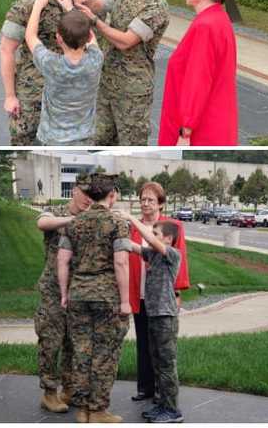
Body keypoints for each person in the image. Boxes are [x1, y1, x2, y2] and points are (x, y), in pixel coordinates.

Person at [74, 0, 170, 146]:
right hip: (108, 81)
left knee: (131, 143)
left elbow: (126, 41)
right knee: (100, 139)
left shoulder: (155, 6)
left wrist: (95, 21)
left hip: (132, 90)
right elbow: (99, 4)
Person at [56, 173, 131, 423]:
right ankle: (98, 410)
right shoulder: (117, 223)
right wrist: (125, 301)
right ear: (112, 195)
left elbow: (62, 261)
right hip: (106, 297)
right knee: (104, 354)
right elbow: (121, 262)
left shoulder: (74, 223)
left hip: (78, 294)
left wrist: (64, 293)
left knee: (81, 352)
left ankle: (82, 410)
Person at [0, 0, 76, 146]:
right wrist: (10, 96)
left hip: (62, 90)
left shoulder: (67, 2)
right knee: (24, 142)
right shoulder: (27, 3)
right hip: (33, 92)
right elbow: (6, 50)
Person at [157, 0, 238, 146]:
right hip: (216, 119)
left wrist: (186, 127)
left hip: (201, 128)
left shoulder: (205, 26)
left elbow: (198, 79)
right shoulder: (219, 19)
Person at [33, 173, 93, 413]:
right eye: (85, 193)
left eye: (92, 195)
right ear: (75, 190)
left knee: (73, 343)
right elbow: (42, 223)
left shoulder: (92, 218)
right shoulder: (57, 212)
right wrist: (72, 220)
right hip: (53, 291)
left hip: (78, 291)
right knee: (51, 341)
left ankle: (68, 389)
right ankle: (49, 392)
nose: (88, 199)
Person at [126, 182, 189, 404]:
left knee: (163, 350)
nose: (145, 204)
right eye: (142, 199)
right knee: (144, 344)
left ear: (161, 204)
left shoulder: (171, 228)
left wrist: (177, 292)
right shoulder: (133, 228)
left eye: (151, 200)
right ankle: (145, 388)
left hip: (162, 298)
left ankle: (164, 396)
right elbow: (132, 251)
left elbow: (179, 260)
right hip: (141, 293)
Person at [120, 217, 185, 423]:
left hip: (165, 316)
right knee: (156, 363)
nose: (151, 237)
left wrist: (131, 218)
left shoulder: (172, 254)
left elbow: (149, 240)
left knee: (167, 365)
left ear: (168, 238)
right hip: (154, 315)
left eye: (156, 234)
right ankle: (162, 404)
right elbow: (133, 246)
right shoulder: (154, 254)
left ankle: (173, 411)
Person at [24, 0, 104, 145]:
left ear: (58, 38)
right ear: (87, 37)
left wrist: (38, 5)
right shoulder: (96, 59)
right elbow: (91, 37)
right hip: (84, 140)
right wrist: (71, 9)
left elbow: (30, 36)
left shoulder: (51, 64)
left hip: (51, 139)